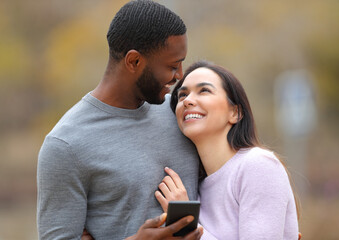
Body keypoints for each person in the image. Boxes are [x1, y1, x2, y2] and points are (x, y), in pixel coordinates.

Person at [37, 1, 203, 239]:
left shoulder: (180, 111)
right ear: (134, 61)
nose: (180, 76)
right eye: (172, 66)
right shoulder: (65, 145)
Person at [155, 61, 300, 239]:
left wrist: (186, 222)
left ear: (235, 113)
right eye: (182, 95)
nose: (188, 101)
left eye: (204, 91)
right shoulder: (194, 185)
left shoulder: (258, 166)